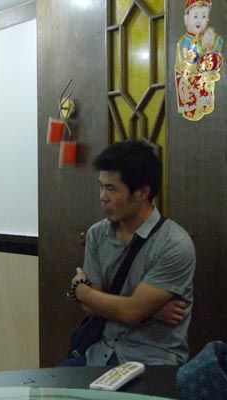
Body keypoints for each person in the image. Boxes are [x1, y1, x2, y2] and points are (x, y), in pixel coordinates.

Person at [65, 140, 196, 366]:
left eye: (111, 189)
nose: (103, 197)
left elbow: (131, 312)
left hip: (152, 360)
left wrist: (81, 290)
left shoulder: (174, 244)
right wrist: (149, 311)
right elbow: (91, 308)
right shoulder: (97, 234)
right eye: (101, 186)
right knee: (48, 386)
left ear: (142, 193)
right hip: (100, 353)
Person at [174, 0, 224, 121]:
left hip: (204, 79)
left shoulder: (208, 36)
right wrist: (205, 46)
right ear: (186, 19)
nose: (199, 20)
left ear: (207, 19)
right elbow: (191, 59)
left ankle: (206, 105)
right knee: (192, 104)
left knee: (206, 97)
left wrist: (211, 43)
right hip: (189, 78)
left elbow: (218, 45)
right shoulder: (184, 41)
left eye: (203, 16)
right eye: (195, 16)